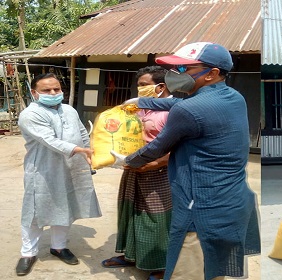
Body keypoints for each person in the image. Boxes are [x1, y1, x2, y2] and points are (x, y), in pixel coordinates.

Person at [113, 42, 261, 280]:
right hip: (233, 199)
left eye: (184, 69)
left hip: (200, 206)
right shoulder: (234, 97)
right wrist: (141, 102)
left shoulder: (190, 110)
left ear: (212, 73)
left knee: (190, 270)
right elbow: (179, 104)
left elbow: (155, 149)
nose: (176, 74)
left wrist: (125, 160)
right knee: (214, 268)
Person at [15, 73, 102, 276]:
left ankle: (59, 247)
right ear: (35, 93)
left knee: (65, 206)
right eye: (47, 90)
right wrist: (80, 151)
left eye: (57, 89)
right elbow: (50, 140)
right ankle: (28, 253)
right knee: (35, 211)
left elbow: (82, 133)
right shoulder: (30, 114)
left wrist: (89, 155)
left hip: (71, 167)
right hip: (43, 171)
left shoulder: (69, 110)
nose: (53, 93)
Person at [101, 66, 172, 280]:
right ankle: (131, 255)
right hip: (133, 168)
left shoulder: (172, 111)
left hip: (159, 172)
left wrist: (157, 163)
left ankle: (160, 265)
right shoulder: (139, 110)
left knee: (156, 218)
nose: (139, 90)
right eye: (138, 85)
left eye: (144, 85)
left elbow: (181, 146)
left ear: (161, 87)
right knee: (130, 212)